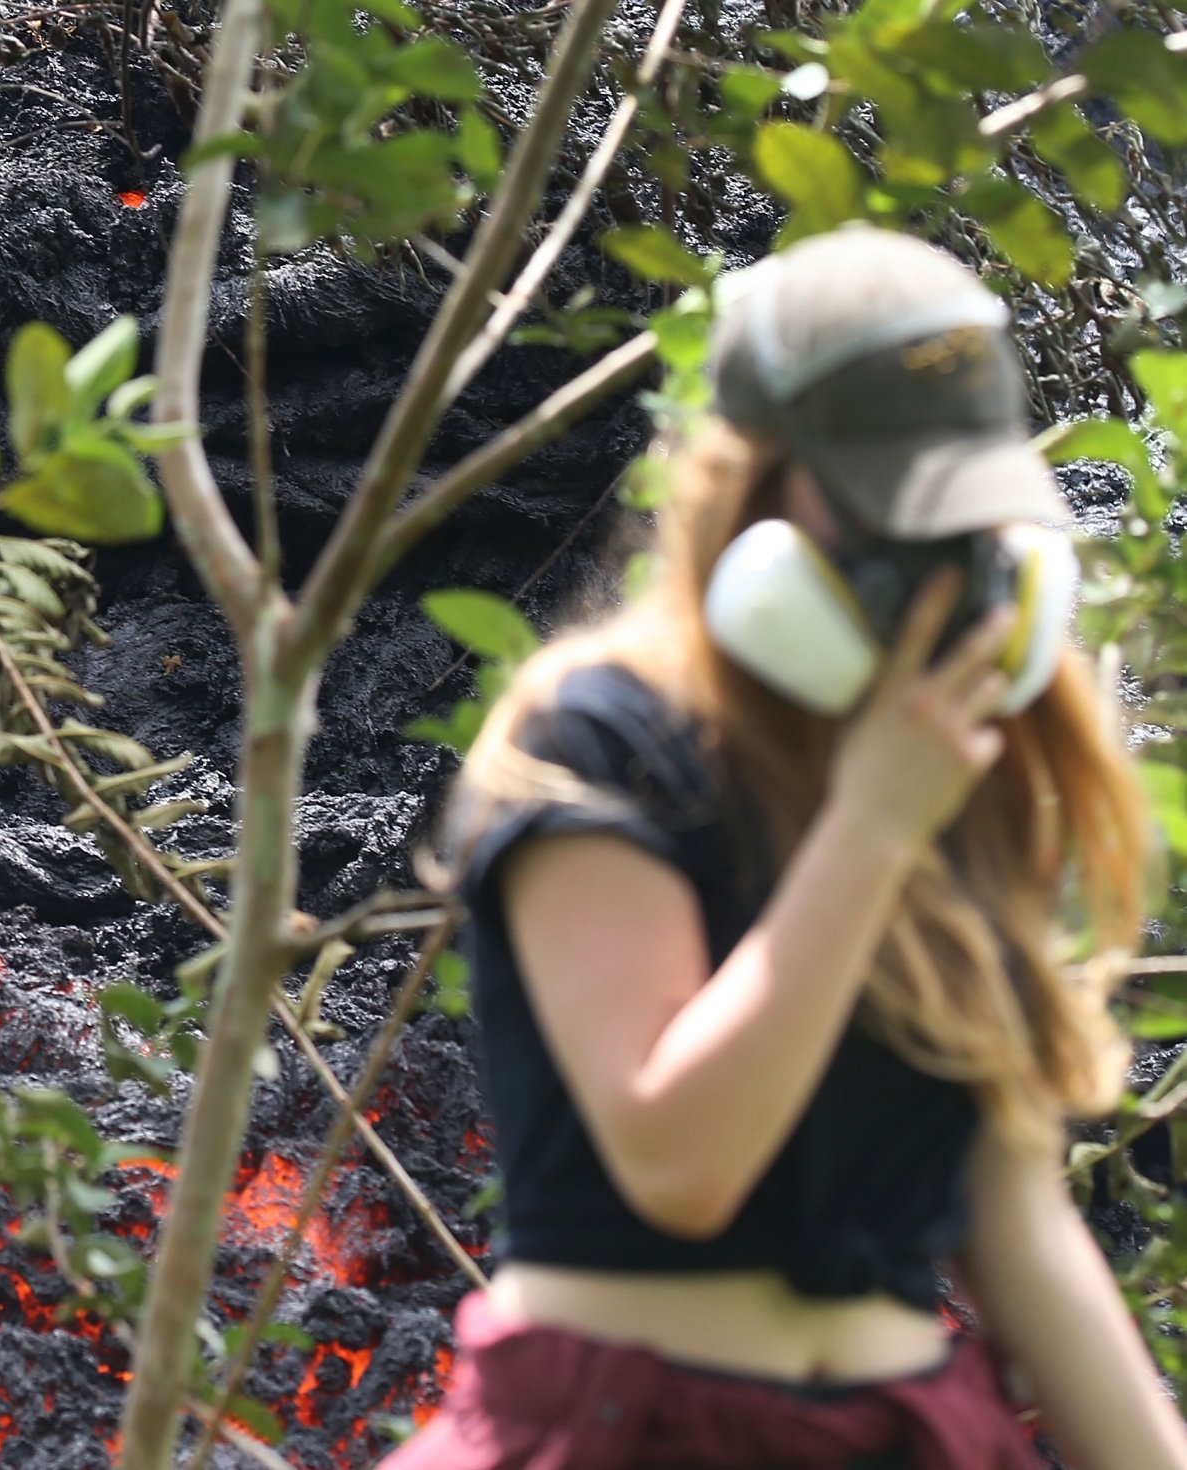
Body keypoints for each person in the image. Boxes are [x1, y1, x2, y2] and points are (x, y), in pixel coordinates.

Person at [381, 225, 1187, 1470]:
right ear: (749, 487)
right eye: (885, 508)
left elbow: (1014, 1219)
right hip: (622, 1435)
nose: (929, 565)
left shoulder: (952, 768)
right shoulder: (597, 739)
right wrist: (868, 828)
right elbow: (679, 1163)